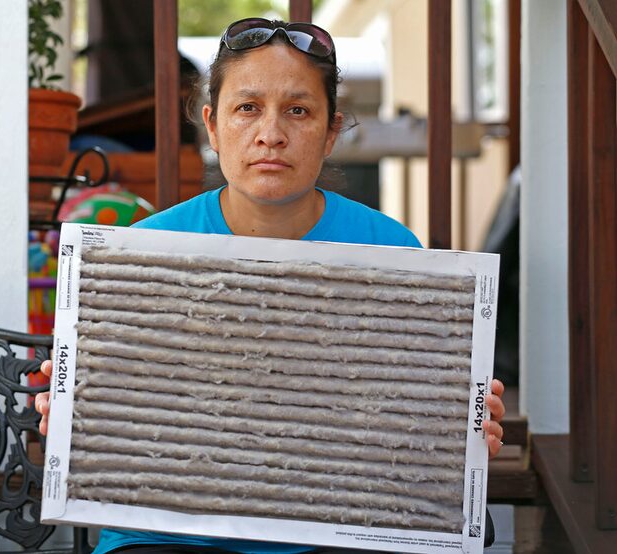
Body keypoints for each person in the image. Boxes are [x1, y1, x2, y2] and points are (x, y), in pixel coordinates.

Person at [35, 17, 507, 554]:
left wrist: (460, 431)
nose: (271, 134)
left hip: (338, 538)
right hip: (163, 536)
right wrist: (77, 413)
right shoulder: (143, 249)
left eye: (299, 111)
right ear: (212, 126)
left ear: (331, 131)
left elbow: (413, 436)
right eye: (248, 108)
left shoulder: (391, 251)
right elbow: (114, 418)